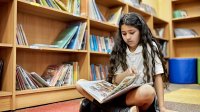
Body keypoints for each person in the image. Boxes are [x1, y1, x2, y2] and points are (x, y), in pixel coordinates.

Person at [76, 12, 170, 112]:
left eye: (132, 32)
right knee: (80, 83)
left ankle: (102, 107)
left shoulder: (150, 47)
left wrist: (162, 107)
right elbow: (115, 80)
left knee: (148, 91)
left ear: (141, 31)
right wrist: (126, 74)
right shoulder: (119, 49)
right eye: (124, 33)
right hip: (120, 96)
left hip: (137, 96)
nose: (128, 37)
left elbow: (158, 77)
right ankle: (120, 110)